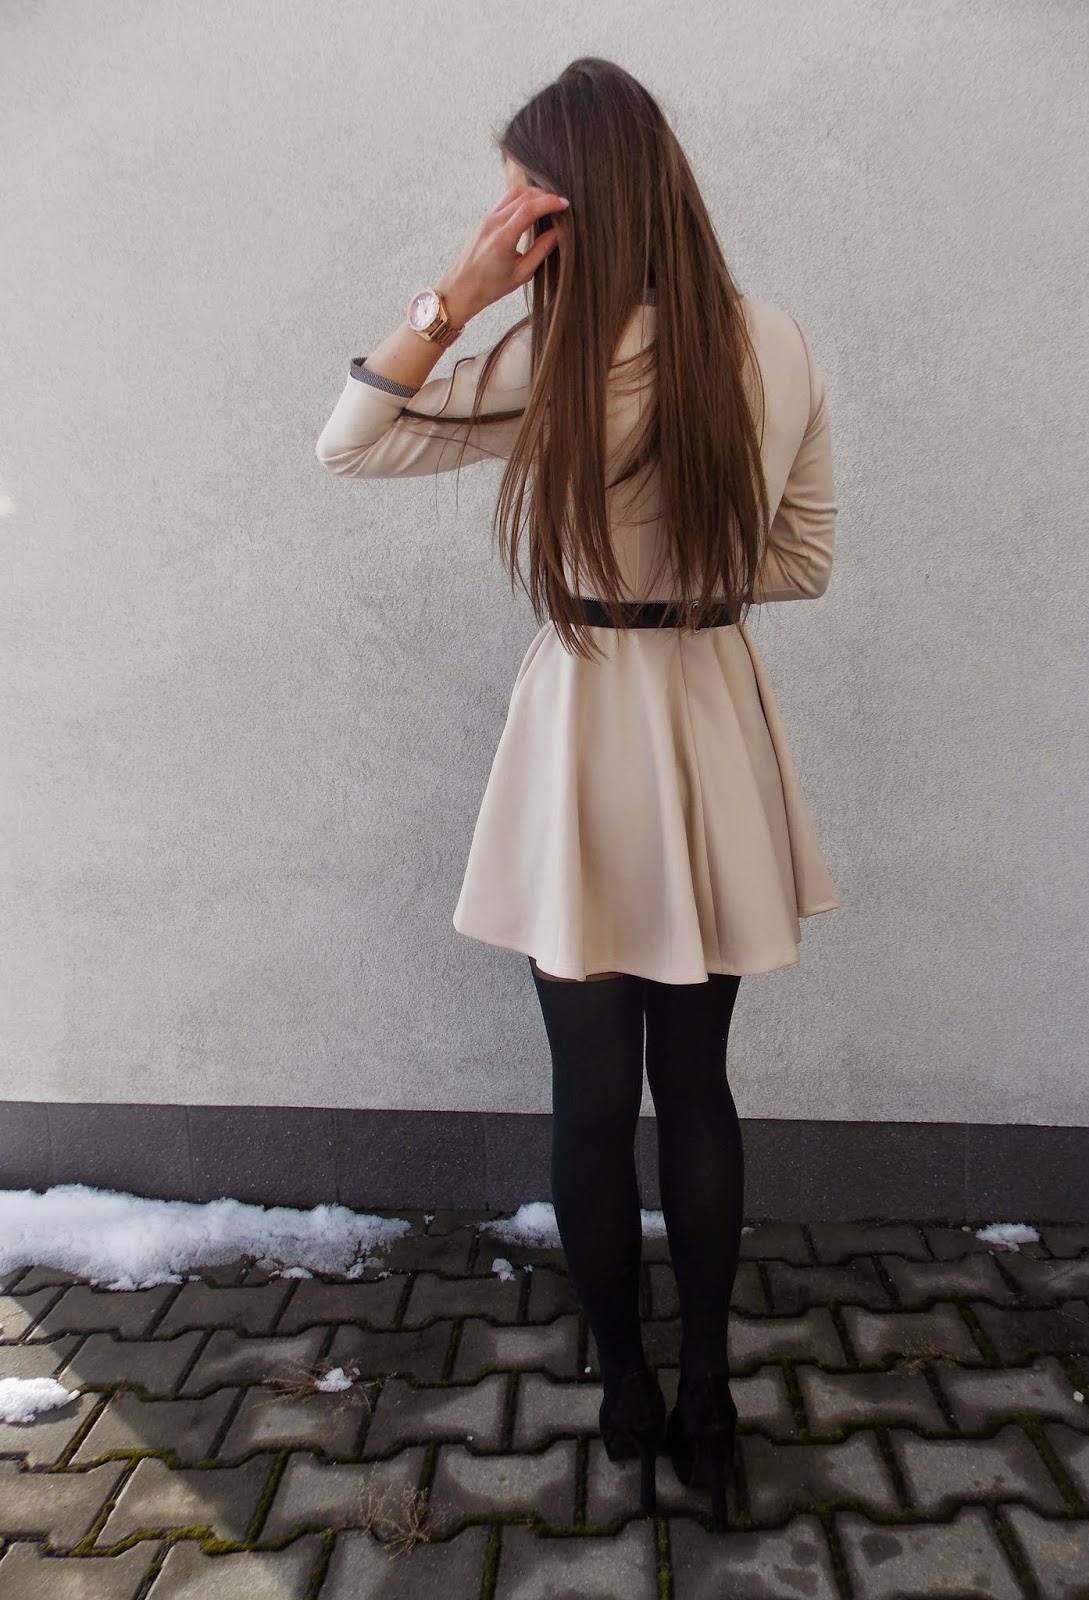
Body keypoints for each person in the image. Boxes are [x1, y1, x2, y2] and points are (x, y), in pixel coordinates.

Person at [316, 57, 839, 1532]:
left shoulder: (550, 364)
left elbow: (350, 441)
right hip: (714, 715)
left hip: (587, 722)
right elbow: (805, 560)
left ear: (566, 210)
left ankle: (624, 1395)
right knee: (701, 1085)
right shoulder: (776, 341)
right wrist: (693, 567)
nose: (510, 229)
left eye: (521, 206)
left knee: (591, 1098)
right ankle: (708, 1406)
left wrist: (457, 293)